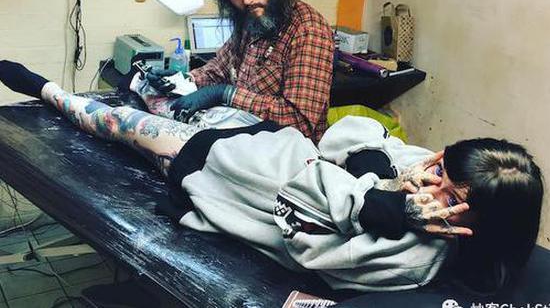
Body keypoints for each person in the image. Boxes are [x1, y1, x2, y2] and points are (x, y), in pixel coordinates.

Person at [0, 60, 543, 293]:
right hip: (263, 138)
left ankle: (47, 89)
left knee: (109, 121)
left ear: (482, 223)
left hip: (216, 168)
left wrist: (379, 207)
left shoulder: (412, 259)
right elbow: (352, 132)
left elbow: (304, 231)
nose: (431, 186)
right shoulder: (422, 169)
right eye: (440, 169)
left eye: (453, 195)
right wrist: (381, 173)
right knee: (170, 98)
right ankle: (150, 89)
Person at [147, 0, 335, 144]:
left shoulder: (308, 29)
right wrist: (183, 80)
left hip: (290, 152)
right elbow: (218, 70)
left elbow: (299, 122)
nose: (246, 0)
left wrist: (226, 94)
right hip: (248, 138)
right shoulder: (251, 18)